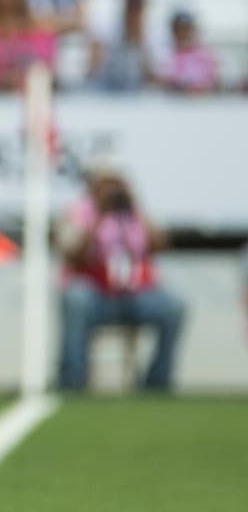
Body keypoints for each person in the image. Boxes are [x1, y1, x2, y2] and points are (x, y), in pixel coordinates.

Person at [56, 164, 185, 391]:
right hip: (96, 295)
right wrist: (98, 217)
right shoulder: (79, 213)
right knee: (76, 299)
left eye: (118, 184)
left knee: (173, 307)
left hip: (134, 294)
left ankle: (157, 383)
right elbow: (73, 255)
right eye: (107, 184)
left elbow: (160, 245)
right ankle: (73, 382)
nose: (113, 191)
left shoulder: (135, 214)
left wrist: (136, 208)